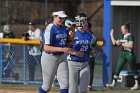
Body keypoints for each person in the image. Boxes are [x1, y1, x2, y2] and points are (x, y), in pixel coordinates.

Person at [37, 11, 82, 93]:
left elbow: (66, 44)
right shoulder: (50, 28)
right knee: (46, 87)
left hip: (62, 57)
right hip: (49, 57)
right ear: (54, 17)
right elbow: (46, 47)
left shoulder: (63, 28)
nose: (62, 19)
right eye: (60, 18)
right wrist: (62, 49)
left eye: (63, 18)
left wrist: (71, 42)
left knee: (65, 84)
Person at [67, 13, 97, 93]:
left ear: (86, 21)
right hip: (73, 63)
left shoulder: (90, 35)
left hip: (84, 64)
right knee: (73, 90)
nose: (80, 23)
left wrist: (93, 51)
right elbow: (66, 49)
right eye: (78, 21)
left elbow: (92, 52)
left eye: (82, 21)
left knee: (83, 90)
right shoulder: (71, 33)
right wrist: (75, 52)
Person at [106, 23, 139, 90]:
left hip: (129, 55)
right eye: (121, 29)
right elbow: (114, 43)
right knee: (118, 68)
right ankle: (113, 84)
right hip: (123, 55)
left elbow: (131, 46)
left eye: (122, 29)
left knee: (133, 69)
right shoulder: (121, 36)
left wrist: (121, 43)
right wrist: (111, 35)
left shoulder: (130, 36)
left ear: (126, 29)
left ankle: (137, 84)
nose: (121, 30)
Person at [87, 22, 97, 91]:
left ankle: (89, 85)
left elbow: (92, 46)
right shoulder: (90, 34)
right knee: (89, 71)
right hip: (88, 55)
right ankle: (89, 85)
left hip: (89, 56)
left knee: (90, 71)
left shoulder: (90, 35)